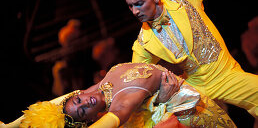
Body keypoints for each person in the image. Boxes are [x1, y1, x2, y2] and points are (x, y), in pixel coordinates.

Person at [123, 0, 258, 120]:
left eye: (139, 3)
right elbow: (135, 82)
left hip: (224, 74)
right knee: (167, 120)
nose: (135, 12)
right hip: (195, 88)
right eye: (130, 6)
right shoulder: (143, 43)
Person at [2, 63, 235, 127]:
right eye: (83, 110)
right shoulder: (119, 109)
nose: (84, 101)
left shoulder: (94, 89)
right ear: (93, 120)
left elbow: (53, 104)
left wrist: (11, 126)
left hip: (201, 99)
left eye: (78, 100)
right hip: (195, 115)